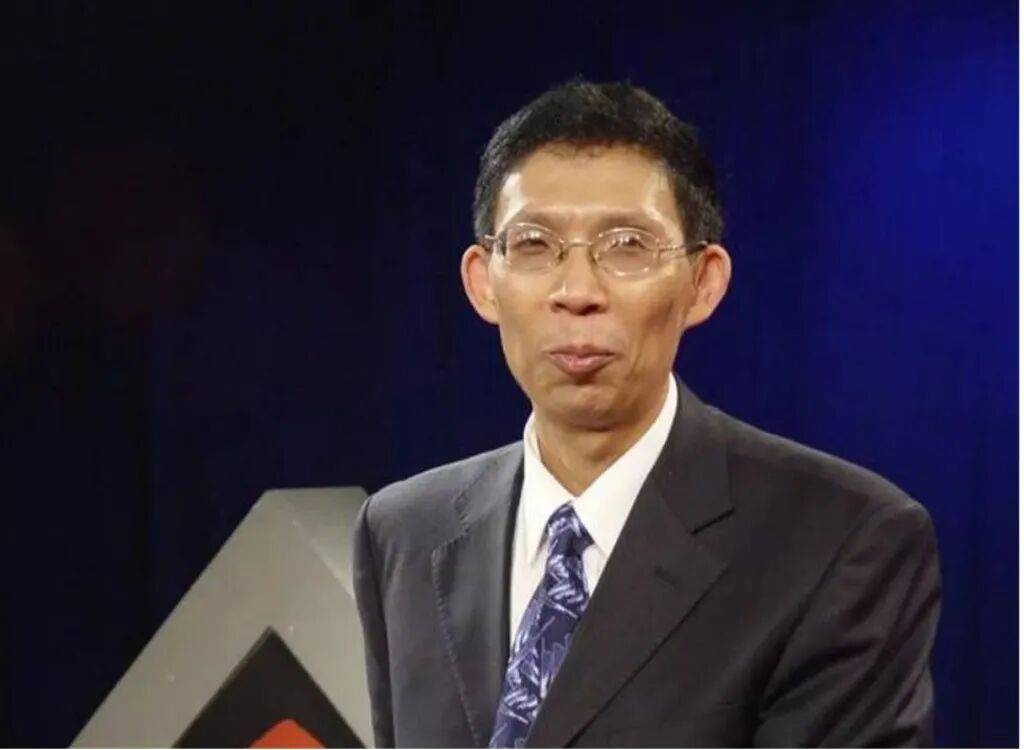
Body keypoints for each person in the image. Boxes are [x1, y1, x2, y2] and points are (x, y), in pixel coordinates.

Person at [351, 79, 941, 748]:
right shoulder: (404, 531)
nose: (577, 292)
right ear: (482, 281)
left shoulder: (841, 541)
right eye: (535, 245)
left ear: (703, 283)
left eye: (627, 245)